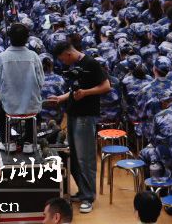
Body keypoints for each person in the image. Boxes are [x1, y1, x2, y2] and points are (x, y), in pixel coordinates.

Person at [46, 38, 109, 213]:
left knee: (85, 158)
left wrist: (86, 93)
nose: (62, 62)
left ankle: (88, 197)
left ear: (68, 53)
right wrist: (62, 98)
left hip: (85, 116)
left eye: (62, 59)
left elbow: (106, 86)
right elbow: (75, 90)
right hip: (73, 114)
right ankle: (82, 191)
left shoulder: (91, 63)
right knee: (73, 157)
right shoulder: (75, 65)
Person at [0, 23, 43, 152]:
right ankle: (29, 142)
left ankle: (7, 142)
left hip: (9, 107)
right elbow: (41, 82)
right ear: (27, 39)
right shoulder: (34, 57)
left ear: (9, 38)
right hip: (31, 107)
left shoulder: (1, 58)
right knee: (34, 101)